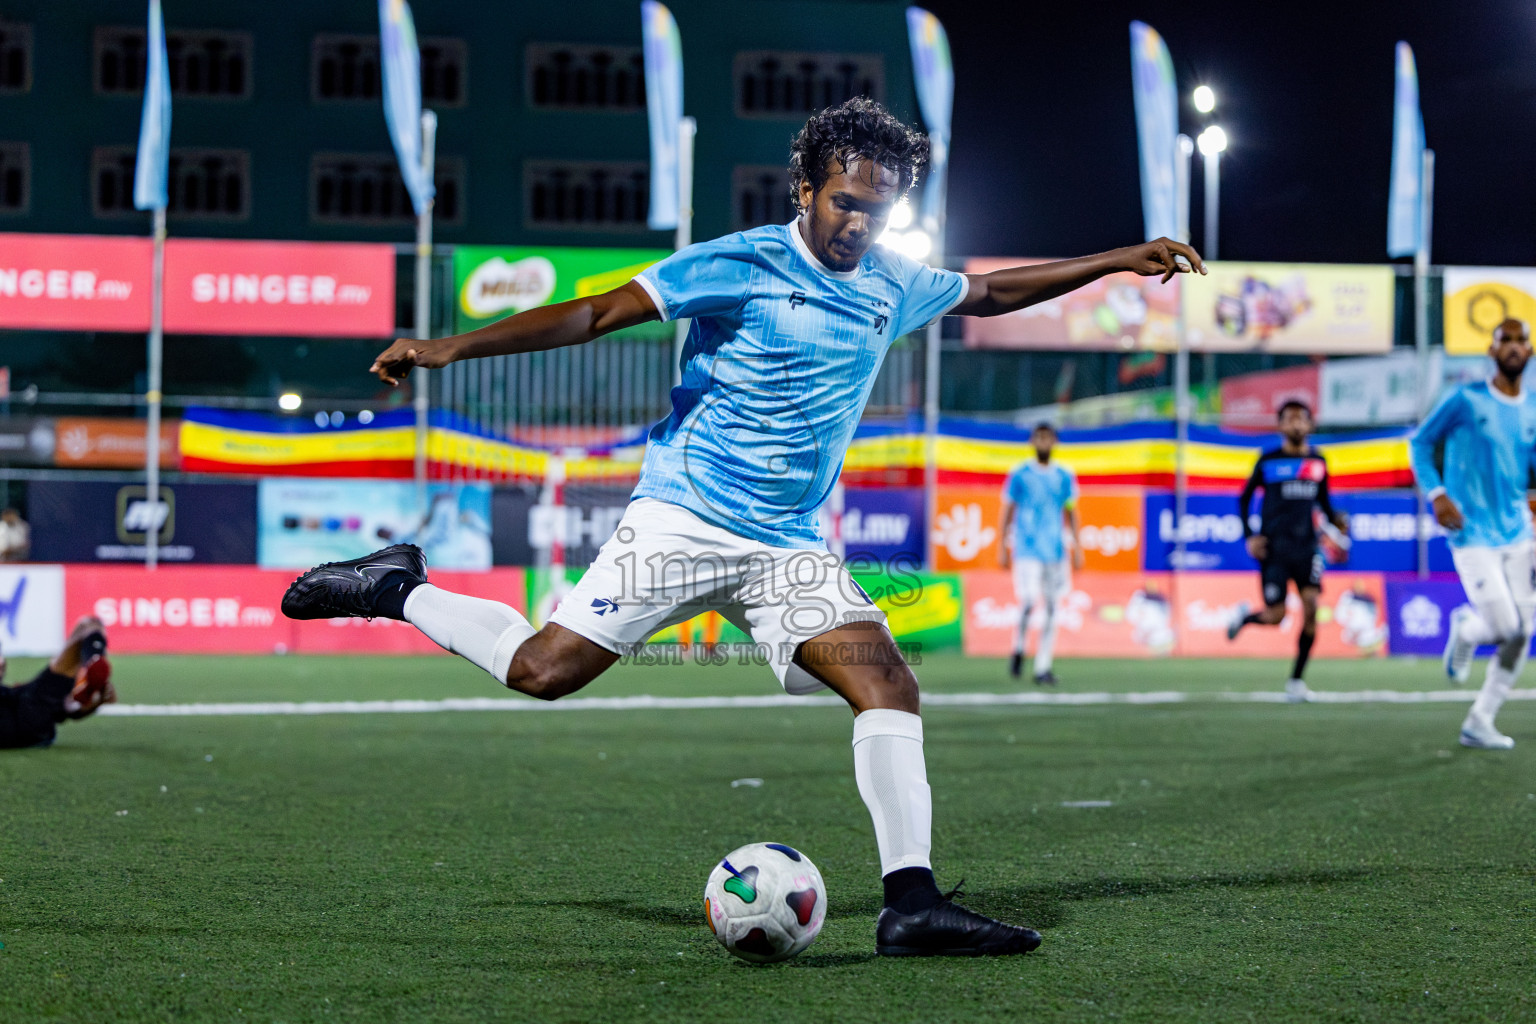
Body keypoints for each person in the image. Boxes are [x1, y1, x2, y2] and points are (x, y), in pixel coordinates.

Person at [282, 97, 1205, 957]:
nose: (858, 225)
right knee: (543, 672)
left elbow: (991, 294)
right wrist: (452, 347)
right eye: (844, 203)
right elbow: (600, 311)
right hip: (682, 517)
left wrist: (1116, 259)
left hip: (785, 544)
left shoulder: (893, 281)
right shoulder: (742, 261)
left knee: (888, 686)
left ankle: (911, 901)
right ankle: (396, 585)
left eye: (876, 212)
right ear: (805, 190)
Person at [1410, 318, 1536, 750]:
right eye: (1507, 340)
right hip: (1471, 530)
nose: (1515, 347)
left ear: (1531, 352)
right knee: (1504, 626)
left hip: (1519, 532)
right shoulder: (1465, 399)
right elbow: (1420, 444)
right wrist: (1438, 493)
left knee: (1522, 632)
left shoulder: (1533, 406)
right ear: (1492, 350)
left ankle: (1480, 720)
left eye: (1522, 340)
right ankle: (1466, 629)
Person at [1227, 401, 1349, 702]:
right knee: (1276, 616)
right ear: (1280, 425)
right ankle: (1245, 618)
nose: (1295, 425)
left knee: (1310, 610)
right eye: (1289, 420)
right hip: (1274, 549)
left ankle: (1296, 681)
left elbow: (1324, 502)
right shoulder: (1268, 460)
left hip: (1308, 549)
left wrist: (1337, 521)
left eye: (1301, 419)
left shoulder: (1318, 462)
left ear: (1310, 425)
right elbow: (1243, 499)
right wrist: (1249, 536)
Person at [997, 422, 1082, 684]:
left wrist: (1077, 547)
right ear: (1032, 442)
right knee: (1030, 601)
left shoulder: (1064, 476)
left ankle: (1042, 667)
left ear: (1054, 441)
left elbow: (1071, 511)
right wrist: (1002, 545)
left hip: (1056, 551)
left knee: (1053, 608)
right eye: (1039, 437)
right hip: (1027, 549)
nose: (1043, 442)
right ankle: (1019, 648)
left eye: (1048, 438)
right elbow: (1008, 510)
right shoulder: (1020, 474)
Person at [0, 616, 114, 750]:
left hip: (23, 712)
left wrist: (90, 702)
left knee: (88, 625)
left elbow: (68, 709)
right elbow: (69, 709)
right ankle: (94, 657)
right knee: (89, 625)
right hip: (30, 717)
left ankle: (92, 670)